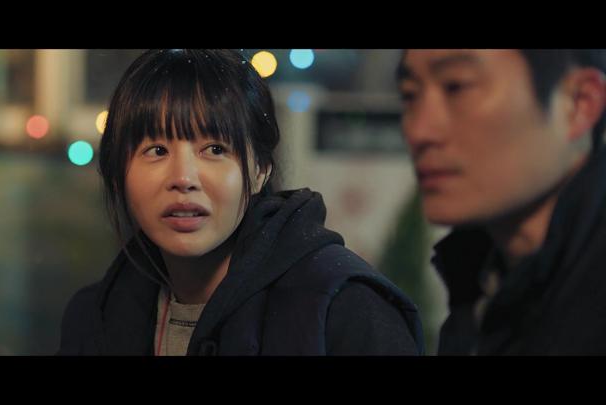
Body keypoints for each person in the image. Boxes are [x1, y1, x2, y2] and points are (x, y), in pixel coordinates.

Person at [58, 49, 423, 355]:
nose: (183, 178)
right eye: (157, 150)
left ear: (261, 169)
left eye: (214, 149)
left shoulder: (341, 308)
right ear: (119, 172)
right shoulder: (95, 318)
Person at [397, 49, 606, 354]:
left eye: (456, 86)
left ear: (578, 103)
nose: (419, 131)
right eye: (409, 95)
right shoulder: (478, 289)